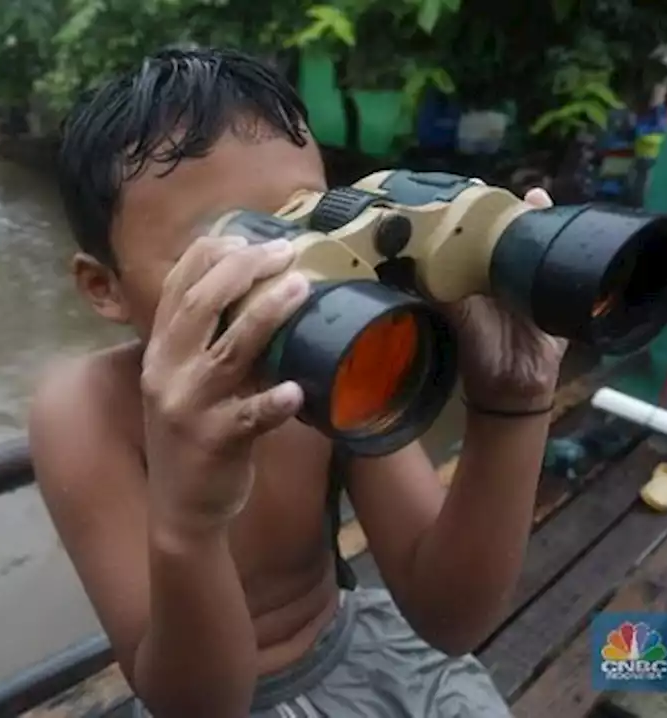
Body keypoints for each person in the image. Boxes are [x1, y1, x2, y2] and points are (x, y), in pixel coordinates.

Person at [28, 46, 568, 717]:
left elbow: (450, 617)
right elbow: (197, 707)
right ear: (102, 286)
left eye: (302, 217)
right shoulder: (85, 412)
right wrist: (189, 524)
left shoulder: (336, 352)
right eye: (229, 241)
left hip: (356, 648)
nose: (282, 269)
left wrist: (511, 406)